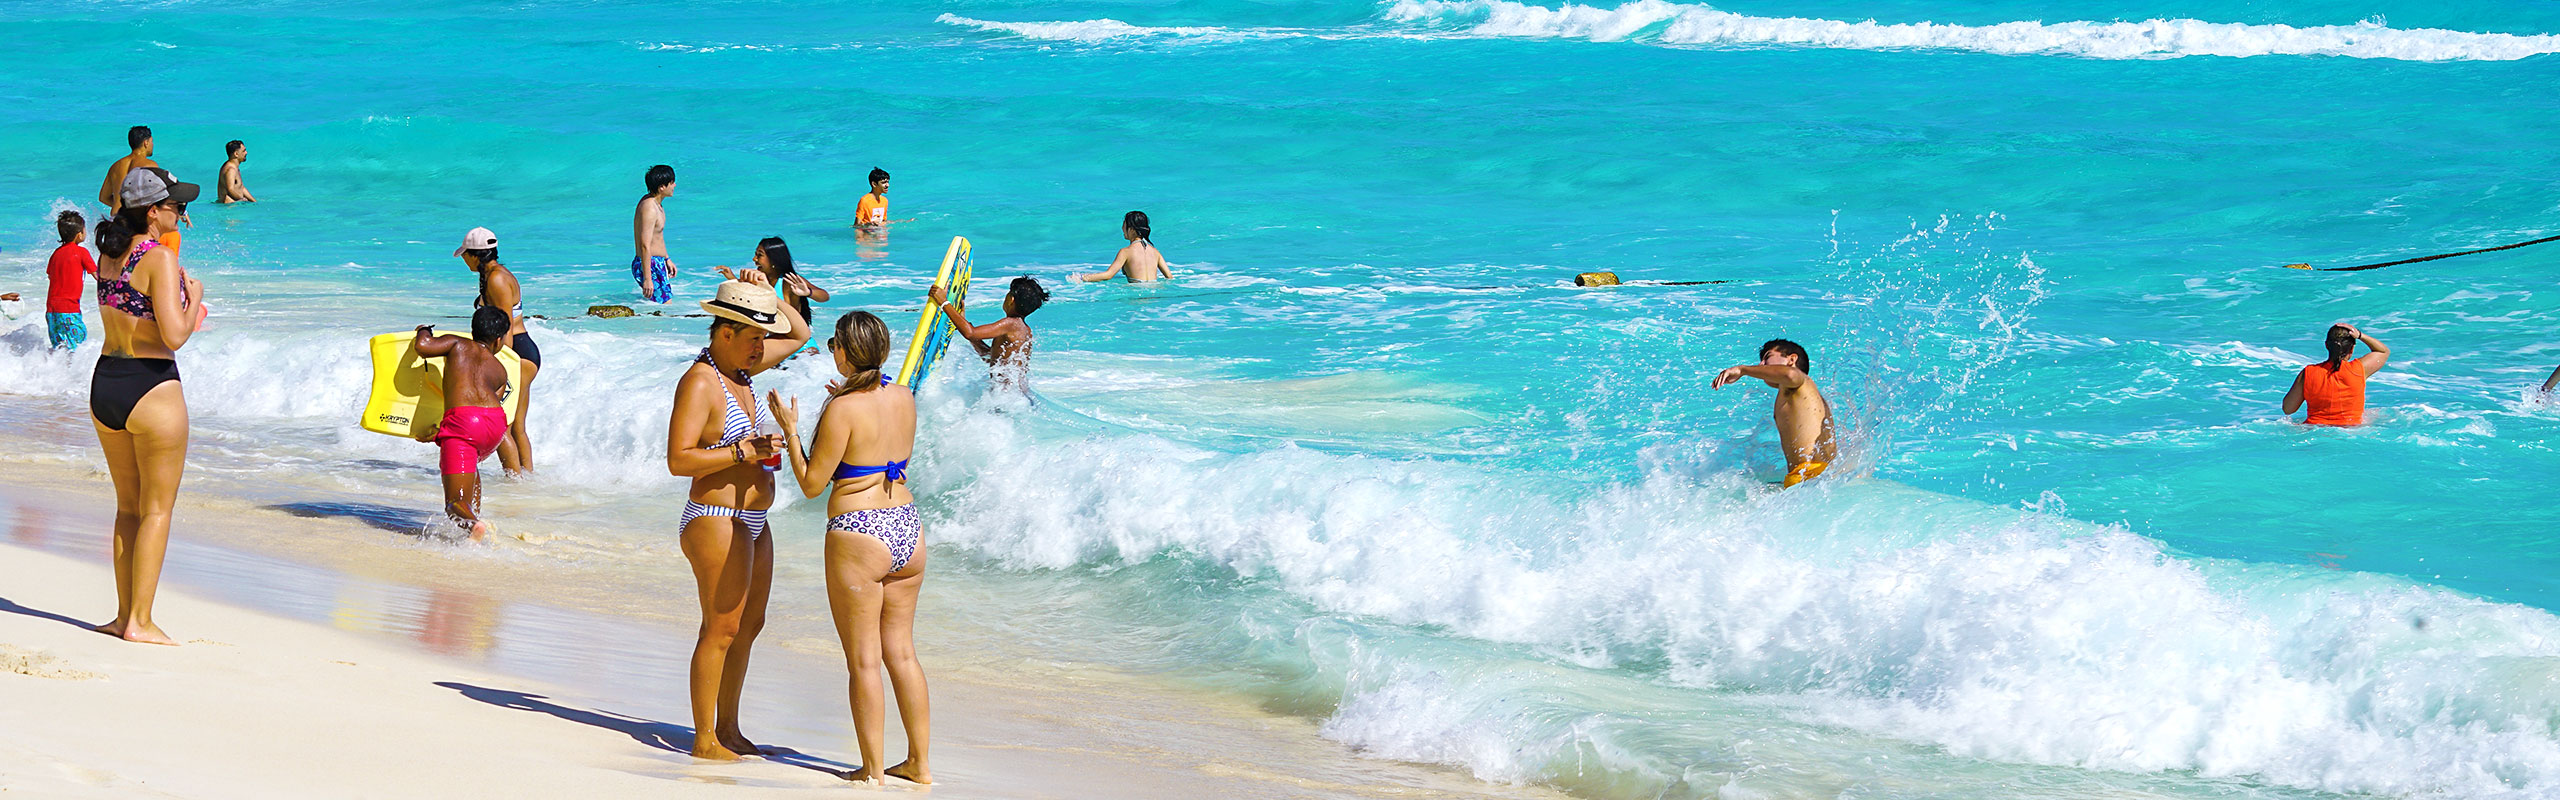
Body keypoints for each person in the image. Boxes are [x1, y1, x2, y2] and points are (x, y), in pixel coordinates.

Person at [770, 311, 932, 785]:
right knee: (901, 653)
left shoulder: (842, 409)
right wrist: (838, 408)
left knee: (863, 659)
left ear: (845, 350)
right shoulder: (903, 396)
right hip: (907, 525)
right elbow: (883, 449)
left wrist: (794, 427)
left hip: (859, 531)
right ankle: (920, 764)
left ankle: (872, 770)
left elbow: (811, 484)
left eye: (833, 342)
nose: (830, 347)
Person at [664, 274, 808, 760]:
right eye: (753, 337)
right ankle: (704, 739)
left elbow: (800, 335)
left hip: (752, 519)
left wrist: (768, 291)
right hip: (713, 516)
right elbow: (679, 460)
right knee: (720, 628)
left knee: (750, 625)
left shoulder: (741, 372)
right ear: (725, 333)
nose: (761, 347)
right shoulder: (701, 381)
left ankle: (728, 728)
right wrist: (742, 451)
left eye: (762, 338)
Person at [90, 167, 204, 645]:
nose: (182, 211)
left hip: (106, 383)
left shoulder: (108, 254)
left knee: (127, 510)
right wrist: (194, 296)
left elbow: (132, 314)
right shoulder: (155, 257)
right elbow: (175, 335)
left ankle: (122, 616)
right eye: (176, 205)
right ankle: (141, 621)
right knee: (156, 511)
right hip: (151, 386)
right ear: (152, 212)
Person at [411, 308, 514, 541]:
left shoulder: (458, 344)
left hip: (465, 424)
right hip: (495, 425)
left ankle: (474, 525)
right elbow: (491, 400)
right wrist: (445, 430)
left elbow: (424, 347)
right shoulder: (499, 368)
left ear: (473, 329)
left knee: (454, 503)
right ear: (499, 339)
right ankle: (474, 526)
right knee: (471, 466)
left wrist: (424, 329)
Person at [458, 227, 537, 472]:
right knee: (514, 426)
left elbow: (506, 329)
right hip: (517, 352)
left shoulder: (497, 278)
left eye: (465, 254)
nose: (463, 259)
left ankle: (515, 479)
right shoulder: (491, 275)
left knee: (503, 425)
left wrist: (501, 366)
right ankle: (525, 480)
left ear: (474, 255)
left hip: (517, 355)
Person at [1711, 338, 1837, 487]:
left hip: (1810, 475)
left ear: (1791, 360)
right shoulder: (1799, 394)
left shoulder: (1800, 380)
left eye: (1767, 358)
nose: (1761, 365)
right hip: (1817, 477)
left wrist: (1742, 370)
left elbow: (1790, 374)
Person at [927, 276, 1046, 395]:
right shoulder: (1024, 330)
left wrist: (943, 302)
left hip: (1005, 397)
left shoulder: (1011, 324)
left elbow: (970, 333)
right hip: (1015, 396)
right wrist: (964, 323)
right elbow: (991, 357)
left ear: (1011, 300)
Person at [2283, 324, 2390, 426]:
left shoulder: (2308, 373)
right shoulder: (2359, 369)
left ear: (2326, 345)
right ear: (2352, 348)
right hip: (2351, 430)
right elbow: (2383, 351)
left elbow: (2288, 409)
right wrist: (2360, 335)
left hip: (2314, 429)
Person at [716, 237, 827, 327]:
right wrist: (732, 278)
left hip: (797, 344)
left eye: (759, 255)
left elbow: (824, 296)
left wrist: (808, 293)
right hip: (774, 341)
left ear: (774, 259)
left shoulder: (788, 280)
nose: (754, 259)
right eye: (755, 254)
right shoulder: (760, 280)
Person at [46, 211, 97, 352]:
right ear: (79, 234)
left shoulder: (56, 254)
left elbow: (51, 276)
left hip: (51, 310)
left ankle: (54, 372)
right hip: (69, 309)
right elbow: (97, 275)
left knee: (59, 349)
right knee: (78, 347)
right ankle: (74, 374)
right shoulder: (81, 252)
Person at [1078, 211, 1173, 283]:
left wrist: (1082, 278)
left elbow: (1108, 275)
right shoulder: (1155, 252)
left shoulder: (1126, 252)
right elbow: (1169, 277)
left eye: (1124, 226)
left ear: (1131, 230)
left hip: (1136, 296)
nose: (1122, 229)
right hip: (1153, 294)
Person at [633, 164, 678, 303]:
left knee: (662, 307)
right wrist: (647, 278)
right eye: (671, 183)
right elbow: (645, 244)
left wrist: (666, 258)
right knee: (665, 306)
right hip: (649, 264)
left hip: (656, 262)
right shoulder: (649, 208)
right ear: (662, 187)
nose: (675, 185)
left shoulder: (657, 204)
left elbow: (658, 236)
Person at [98, 126, 155, 214]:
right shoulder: (150, 165)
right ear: (146, 142)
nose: (153, 144)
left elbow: (103, 197)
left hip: (115, 218)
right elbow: (157, 196)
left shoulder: (115, 166)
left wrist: (119, 206)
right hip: (134, 220)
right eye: (152, 141)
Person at [215, 140, 256, 204]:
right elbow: (230, 189)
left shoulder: (234, 167)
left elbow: (241, 187)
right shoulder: (231, 170)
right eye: (244, 151)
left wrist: (254, 201)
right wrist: (242, 200)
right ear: (236, 154)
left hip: (234, 204)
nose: (246, 153)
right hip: (230, 207)